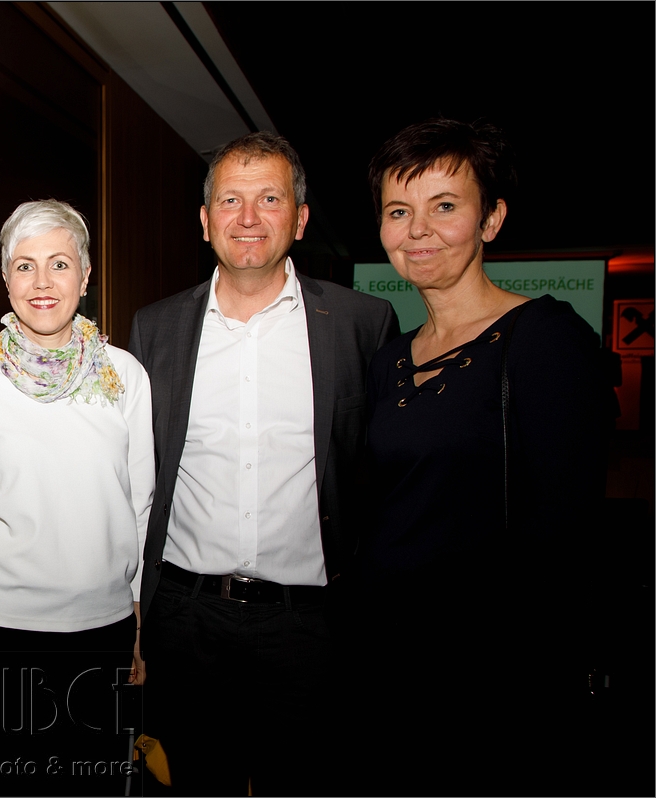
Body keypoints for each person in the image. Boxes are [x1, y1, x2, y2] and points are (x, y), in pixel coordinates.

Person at [128, 131, 398, 796]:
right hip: (185, 622)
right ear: (204, 220)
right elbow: (135, 480)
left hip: (310, 627)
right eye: (230, 200)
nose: (248, 217)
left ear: (300, 219)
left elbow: (382, 476)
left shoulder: (362, 324)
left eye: (269, 199)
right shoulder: (154, 328)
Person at [357, 118, 611, 794]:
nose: (418, 230)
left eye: (444, 206)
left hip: (491, 676)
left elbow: (567, 533)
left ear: (490, 220)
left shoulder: (545, 339)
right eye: (398, 211)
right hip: (388, 661)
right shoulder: (390, 359)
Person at [0, 199, 154, 795]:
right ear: (6, 279)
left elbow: (139, 507)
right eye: (25, 266)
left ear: (85, 276)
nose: (42, 282)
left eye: (59, 264)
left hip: (101, 631)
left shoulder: (125, 376)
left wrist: (141, 627)